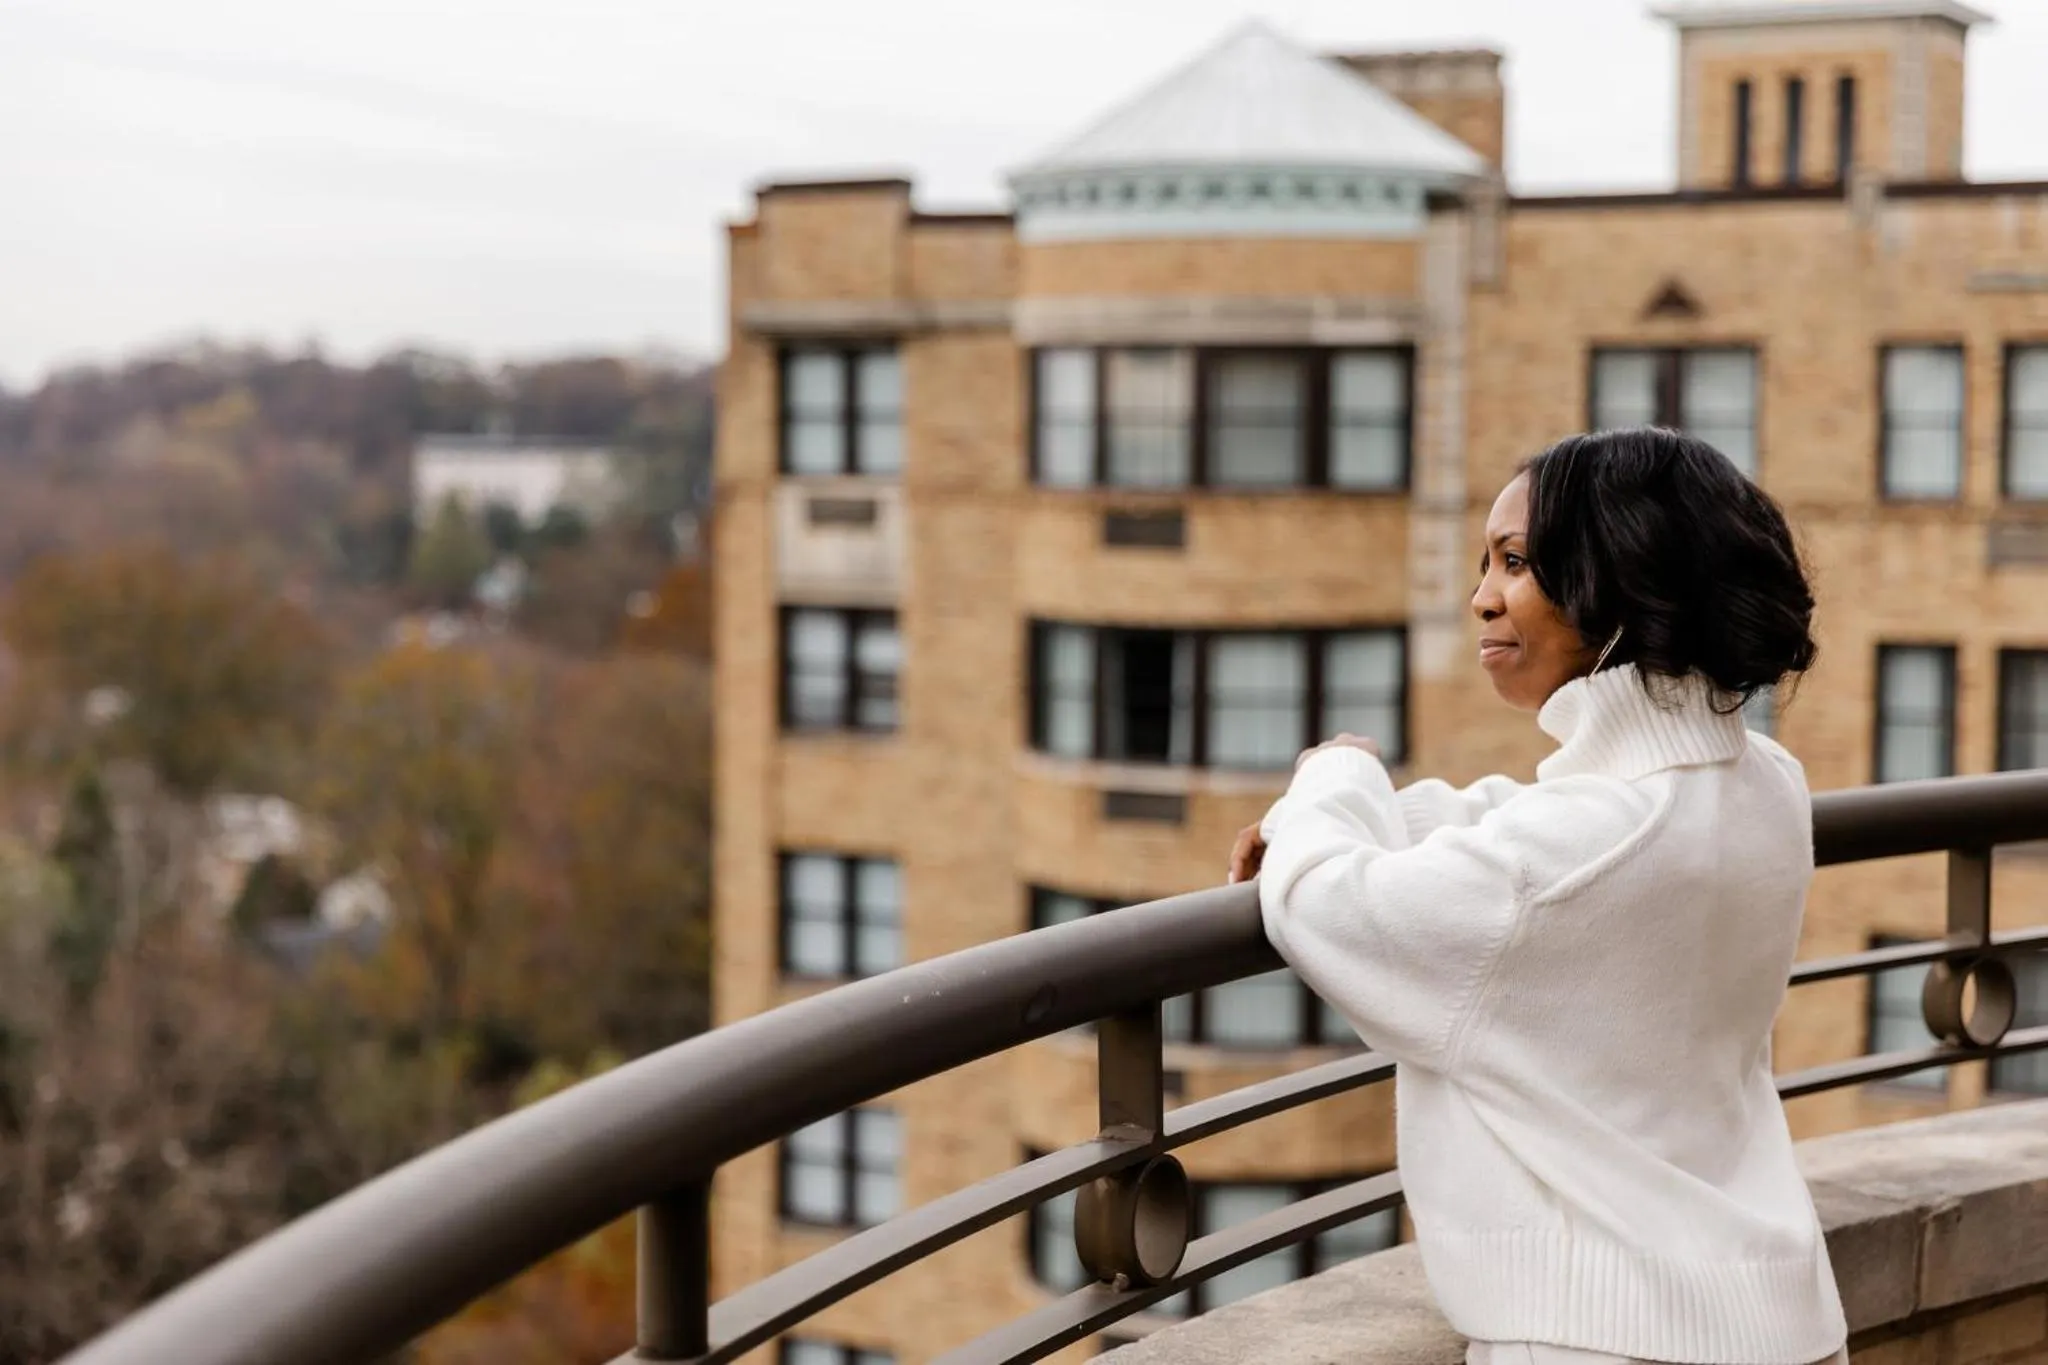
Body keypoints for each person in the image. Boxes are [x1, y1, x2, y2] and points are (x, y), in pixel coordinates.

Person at [1228, 428, 1847, 1365]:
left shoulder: (1577, 849)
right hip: (1777, 1321)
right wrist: (1393, 816)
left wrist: (1334, 778)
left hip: (1602, 1336)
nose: (1481, 596)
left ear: (1623, 580)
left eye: (1514, 562)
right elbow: (1549, 838)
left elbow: (1322, 906)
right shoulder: (1764, 778)